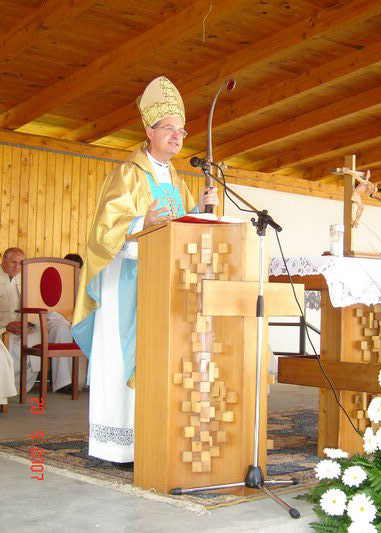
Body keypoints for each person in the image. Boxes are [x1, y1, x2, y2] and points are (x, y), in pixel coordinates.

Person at [72, 76, 218, 466]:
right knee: (124, 360)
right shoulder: (128, 174)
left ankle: (153, 438)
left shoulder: (178, 181)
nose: (177, 136)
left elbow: (185, 228)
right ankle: (118, 445)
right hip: (126, 285)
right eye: (169, 128)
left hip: (165, 285)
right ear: (149, 132)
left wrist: (203, 209)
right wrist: (143, 222)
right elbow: (103, 232)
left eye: (181, 130)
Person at [0, 248, 41, 392]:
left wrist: (28, 323)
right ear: (4, 261)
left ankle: (20, 388)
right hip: (3, 327)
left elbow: (34, 305)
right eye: (13, 262)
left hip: (21, 326)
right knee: (11, 342)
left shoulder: (25, 280)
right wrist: (5, 325)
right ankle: (7, 387)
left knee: (35, 339)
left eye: (20, 263)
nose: (17, 267)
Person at [47, 253, 87, 392]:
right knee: (62, 330)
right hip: (56, 319)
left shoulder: (83, 282)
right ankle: (63, 382)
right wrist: (67, 320)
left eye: (77, 269)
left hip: (77, 320)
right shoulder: (54, 280)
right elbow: (49, 308)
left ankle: (81, 381)